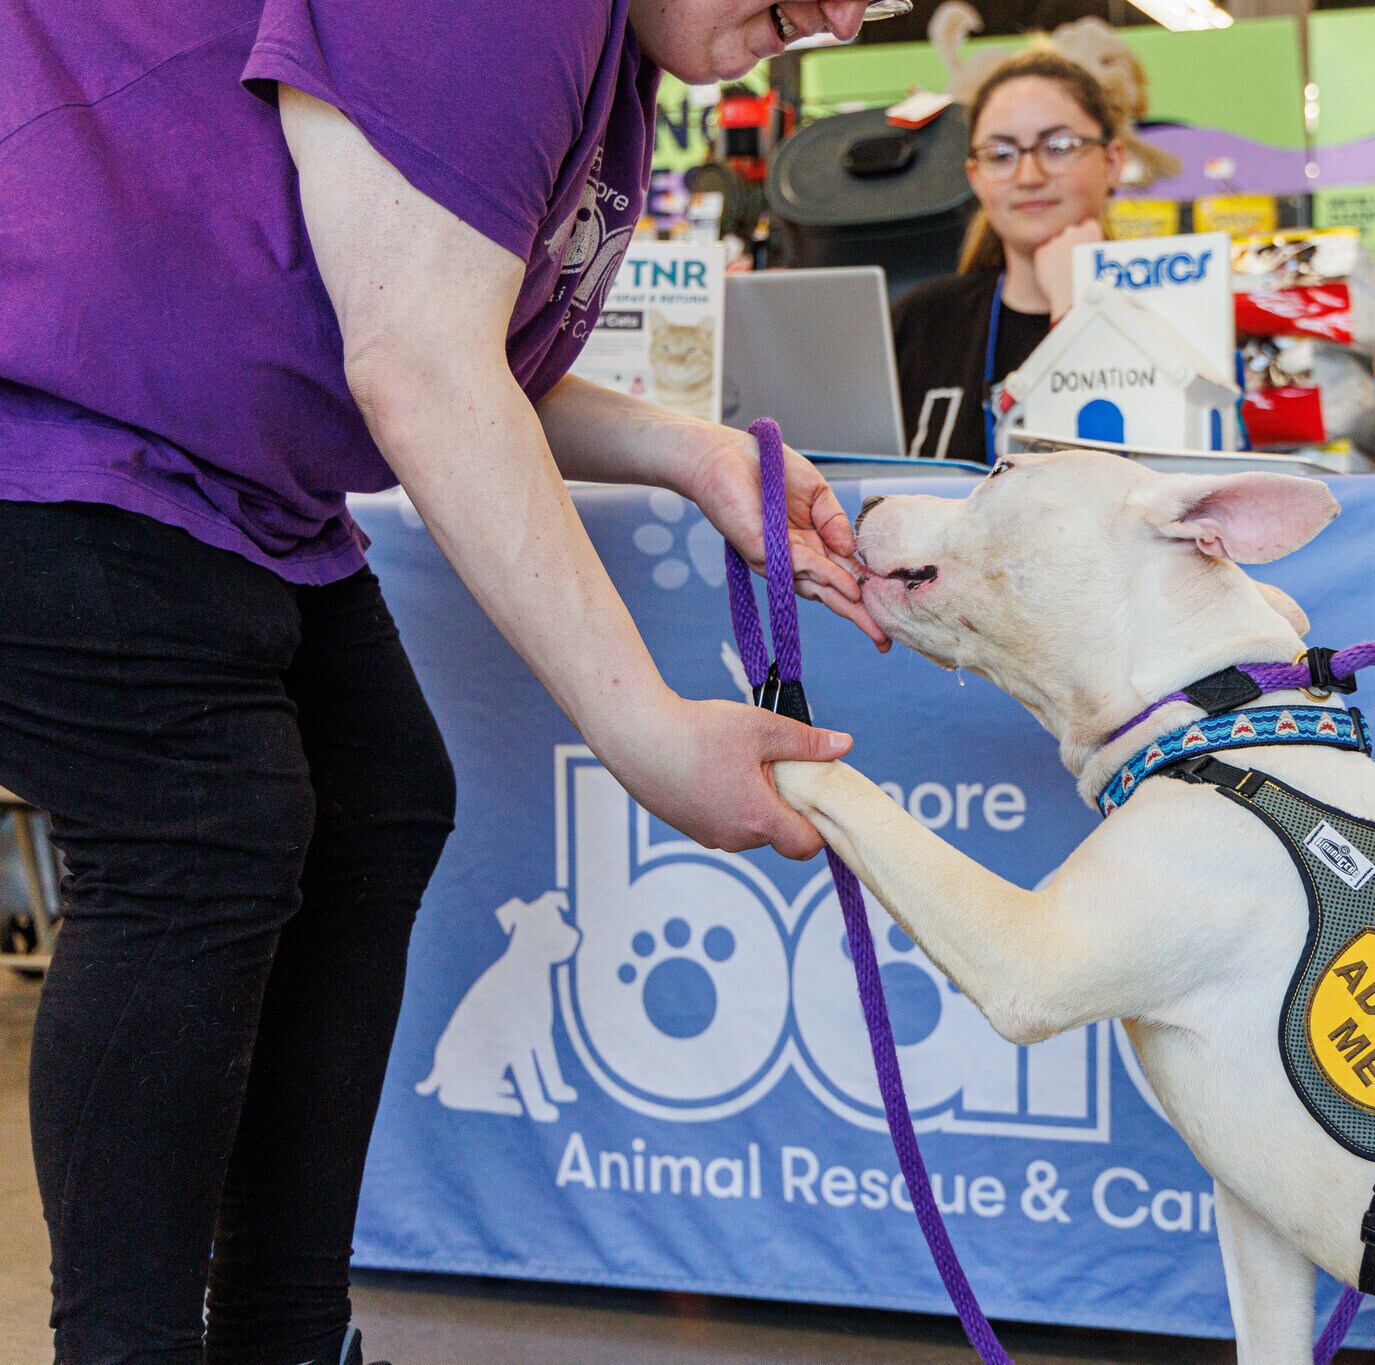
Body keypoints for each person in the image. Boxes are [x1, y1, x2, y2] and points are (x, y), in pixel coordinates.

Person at [0, 0, 894, 1361]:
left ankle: (287, 1334)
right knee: (207, 834)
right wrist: (643, 728)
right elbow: (416, 366)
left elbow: (434, 321)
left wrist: (690, 452)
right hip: (64, 428)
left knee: (380, 800)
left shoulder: (617, 71)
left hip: (229, 476)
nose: (837, 14)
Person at [891, 49, 1127, 462]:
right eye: (1001, 155)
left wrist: (1074, 310)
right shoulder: (921, 322)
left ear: (1112, 162)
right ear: (975, 178)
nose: (1029, 177)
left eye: (1058, 147)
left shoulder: (1168, 312)